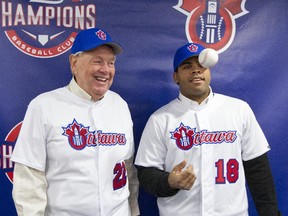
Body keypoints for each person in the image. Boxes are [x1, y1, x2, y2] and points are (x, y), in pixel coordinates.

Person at [135, 43, 281, 216]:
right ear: (176, 76)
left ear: (209, 71)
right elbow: (146, 173)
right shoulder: (160, 119)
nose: (196, 71)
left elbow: (258, 170)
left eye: (201, 66)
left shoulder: (238, 110)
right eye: (187, 66)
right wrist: (169, 182)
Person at [11, 27, 139, 216]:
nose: (105, 70)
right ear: (74, 63)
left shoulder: (120, 105)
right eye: (98, 61)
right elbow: (29, 178)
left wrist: (134, 211)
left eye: (111, 63)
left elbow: (128, 170)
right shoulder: (44, 106)